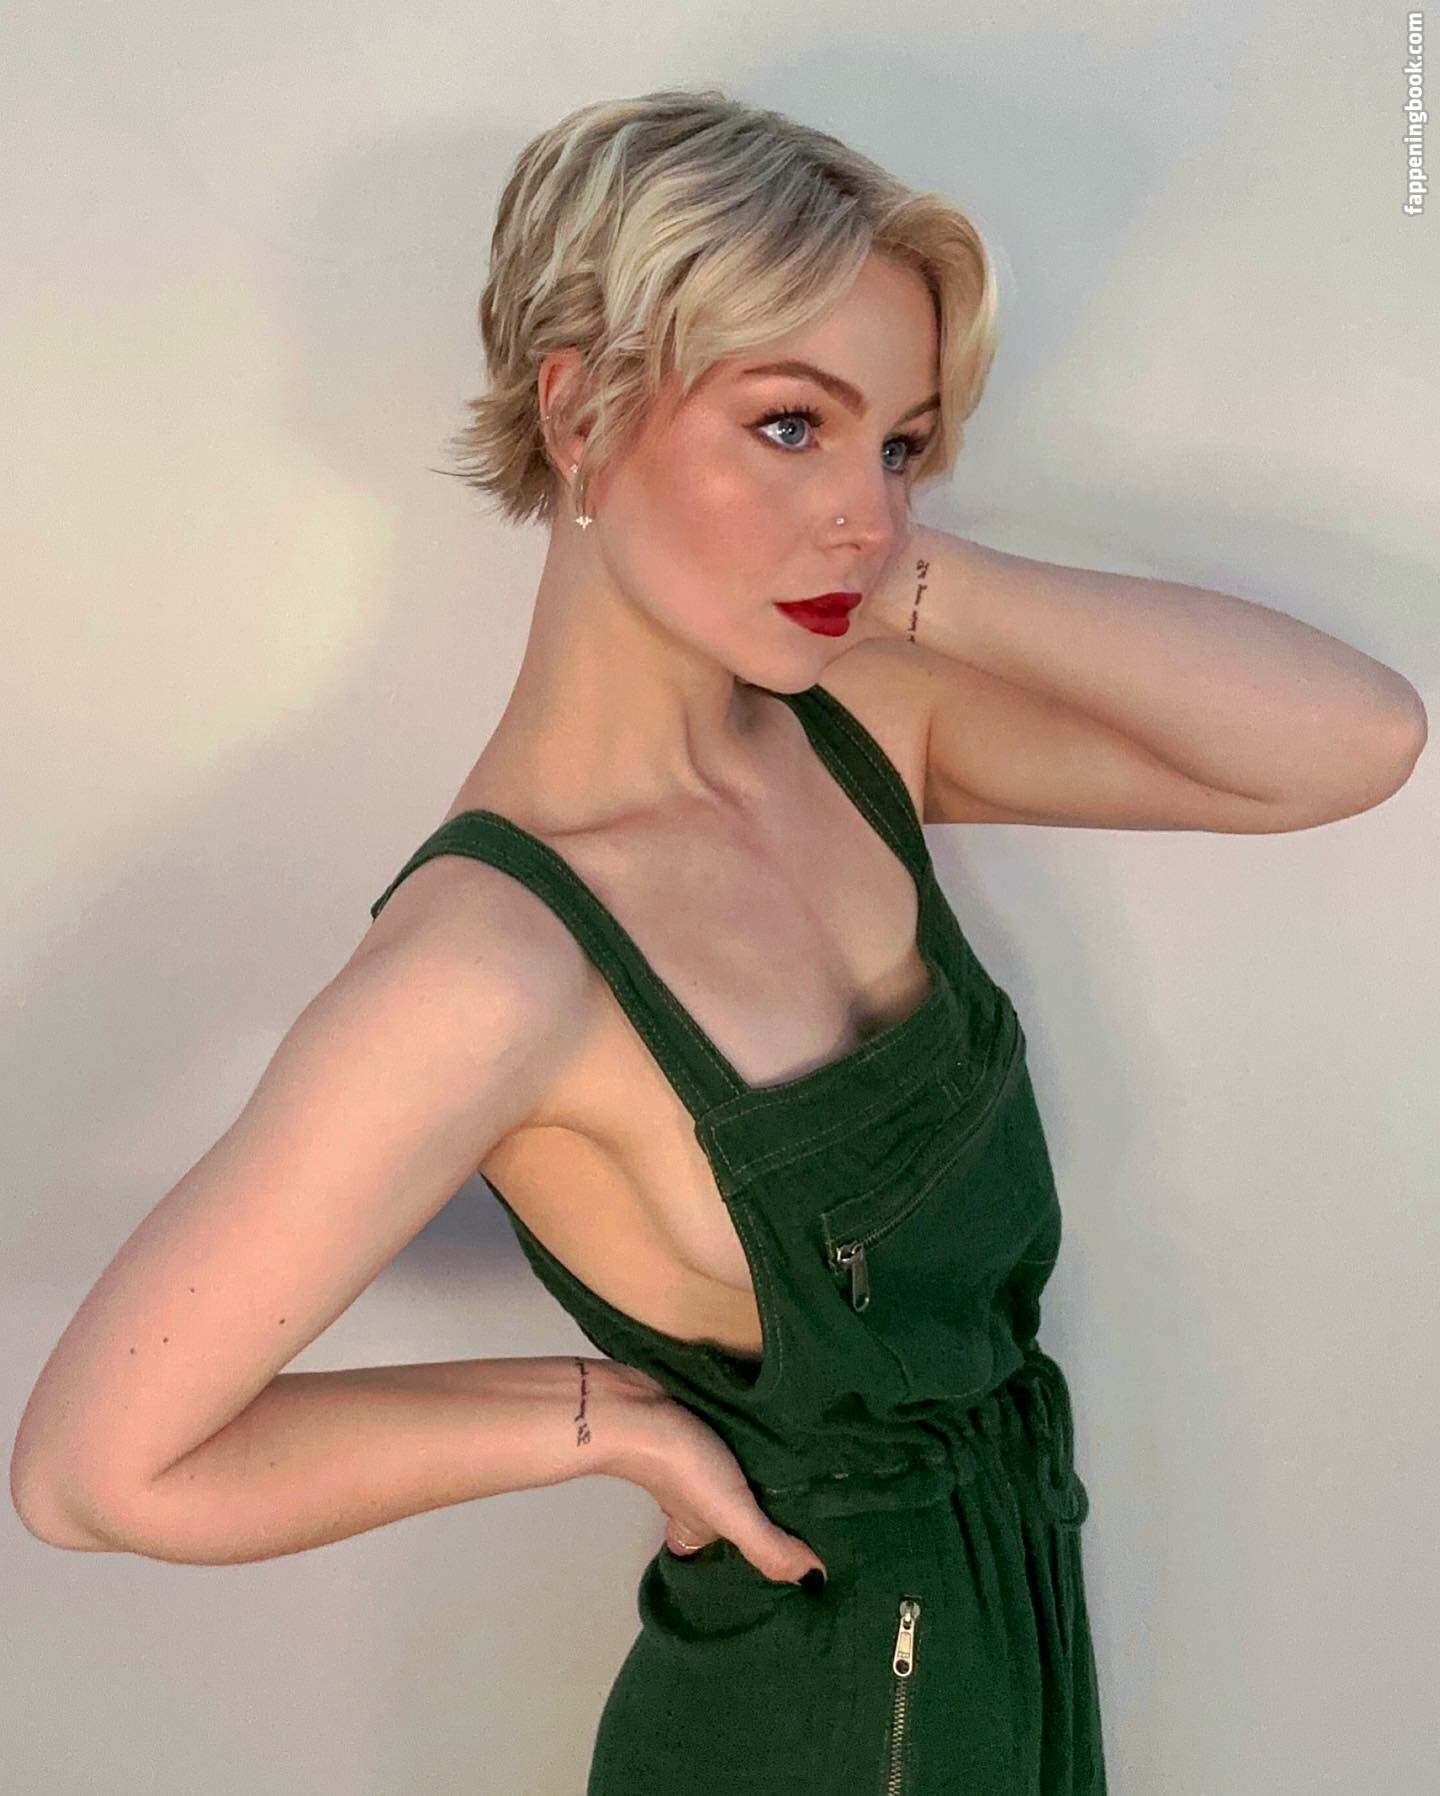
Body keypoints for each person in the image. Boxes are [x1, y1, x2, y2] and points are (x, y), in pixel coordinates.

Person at [11, 87, 1425, 1796]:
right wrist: (594, 1420)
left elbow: (1351, 747)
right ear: (580, 409)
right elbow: (93, 1473)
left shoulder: (860, 731)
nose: (863, 509)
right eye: (790, 425)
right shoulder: (490, 968)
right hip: (809, 1730)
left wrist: (905, 573)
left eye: (898, 444)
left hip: (1010, 1673)